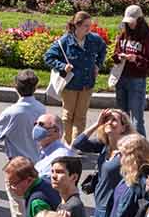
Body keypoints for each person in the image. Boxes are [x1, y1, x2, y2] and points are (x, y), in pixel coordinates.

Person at [72, 109, 133, 217]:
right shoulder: (104, 147)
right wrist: (97, 123)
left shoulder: (126, 152)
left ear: (123, 128)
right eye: (107, 120)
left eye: (115, 120)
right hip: (100, 208)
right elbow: (78, 143)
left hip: (112, 211)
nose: (109, 123)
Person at [43, 12, 107, 143]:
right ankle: (67, 143)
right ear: (76, 26)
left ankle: (76, 145)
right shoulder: (65, 41)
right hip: (70, 86)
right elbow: (48, 57)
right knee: (68, 116)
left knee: (80, 117)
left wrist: (97, 65)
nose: (89, 29)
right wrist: (62, 66)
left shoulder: (94, 40)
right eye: (85, 26)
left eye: (90, 25)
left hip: (87, 84)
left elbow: (103, 50)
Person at [0, 69, 45, 196]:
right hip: (37, 163)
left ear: (15, 88)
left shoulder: (11, 112)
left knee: (17, 205)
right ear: (35, 88)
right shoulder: (41, 108)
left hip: (17, 165)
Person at [111, 5, 149, 132]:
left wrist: (135, 58)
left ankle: (140, 149)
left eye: (132, 22)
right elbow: (115, 54)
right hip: (121, 78)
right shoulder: (124, 35)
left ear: (139, 20)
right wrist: (119, 57)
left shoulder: (148, 38)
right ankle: (123, 145)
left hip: (136, 80)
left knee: (137, 120)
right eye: (127, 22)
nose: (130, 25)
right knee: (121, 117)